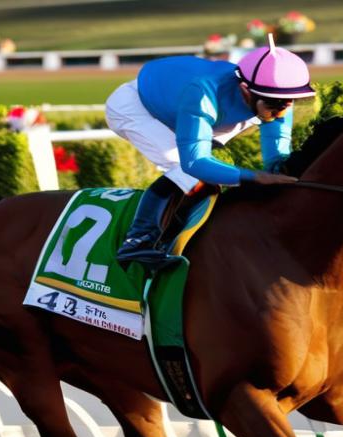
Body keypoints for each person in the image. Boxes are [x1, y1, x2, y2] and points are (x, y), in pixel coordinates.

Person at [105, 35, 316, 269]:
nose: (282, 111)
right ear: (246, 91)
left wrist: (279, 172)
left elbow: (276, 153)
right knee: (185, 169)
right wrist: (253, 177)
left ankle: (187, 224)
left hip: (189, 108)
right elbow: (194, 163)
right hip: (136, 106)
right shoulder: (204, 92)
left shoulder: (275, 97)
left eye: (289, 102)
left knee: (218, 171)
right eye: (275, 104)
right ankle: (137, 242)